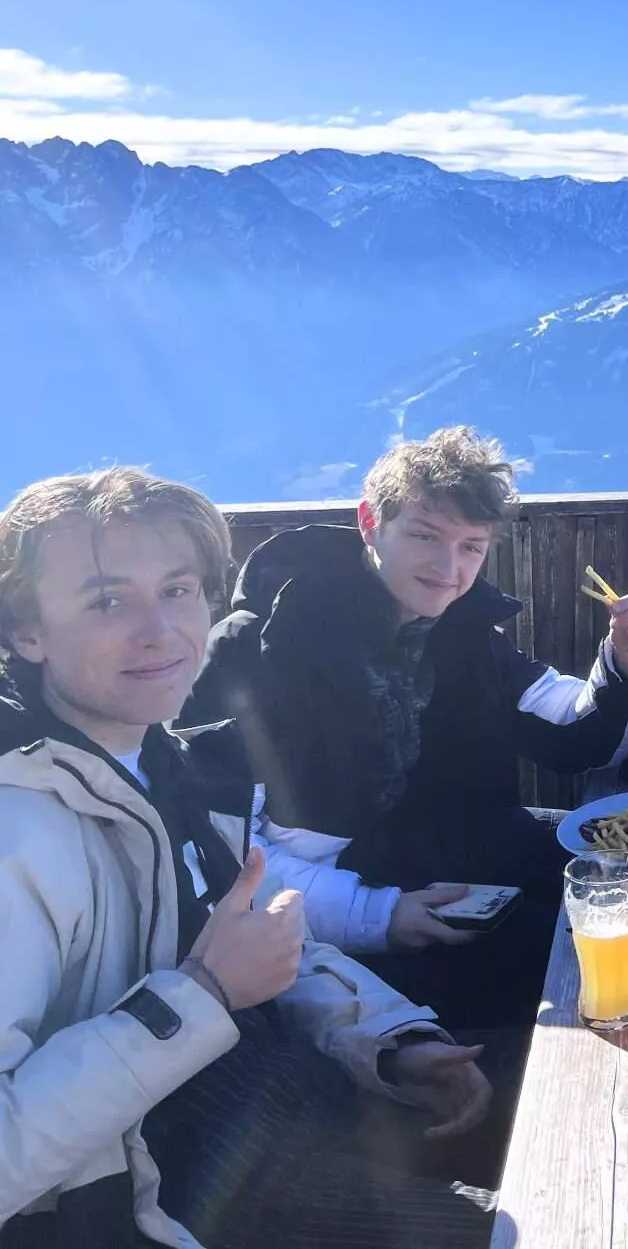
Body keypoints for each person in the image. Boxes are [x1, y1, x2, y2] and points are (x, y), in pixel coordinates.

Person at [0, 467, 494, 1248]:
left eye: (179, 588)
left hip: (282, 1111)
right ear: (26, 630)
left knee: (557, 1111)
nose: (161, 630)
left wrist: (394, 1043)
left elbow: (256, 946)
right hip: (171, 1198)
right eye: (107, 600)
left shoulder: (170, 767)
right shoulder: (18, 830)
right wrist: (200, 994)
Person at [180, 426, 628, 1030]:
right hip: (341, 921)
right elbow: (217, 857)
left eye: (471, 547)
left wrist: (626, 665)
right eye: (425, 536)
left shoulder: (462, 630)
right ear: (369, 522)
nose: (449, 568)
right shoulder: (256, 649)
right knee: (575, 969)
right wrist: (377, 914)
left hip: (466, 850)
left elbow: (573, 732)